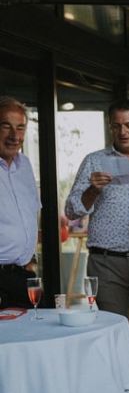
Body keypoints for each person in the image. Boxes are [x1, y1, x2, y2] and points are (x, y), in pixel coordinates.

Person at [65, 99, 129, 334]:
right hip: (107, 264)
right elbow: (71, 211)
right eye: (116, 126)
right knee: (116, 336)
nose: (123, 132)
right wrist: (93, 190)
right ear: (110, 127)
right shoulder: (94, 161)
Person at [0, 96, 39, 308]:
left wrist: (30, 259)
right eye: (6, 126)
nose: (14, 136)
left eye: (20, 128)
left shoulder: (24, 165)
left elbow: (30, 215)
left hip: (23, 275)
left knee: (37, 325)